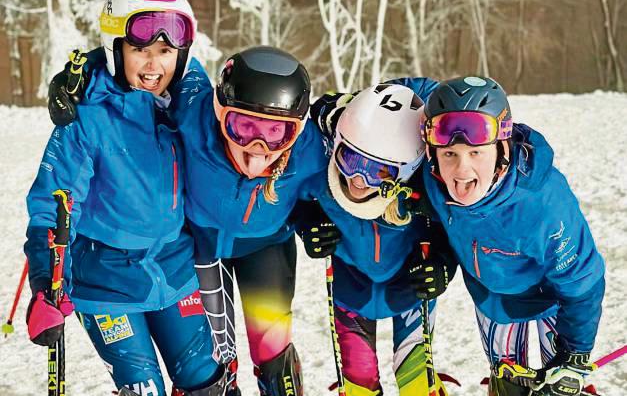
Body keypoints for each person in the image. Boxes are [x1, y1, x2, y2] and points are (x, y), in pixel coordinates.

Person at [47, 44, 328, 395]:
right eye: (242, 126)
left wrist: (314, 215)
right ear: (220, 108)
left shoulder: (310, 147)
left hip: (266, 246)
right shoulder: (194, 110)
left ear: (297, 130)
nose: (257, 145)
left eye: (276, 133)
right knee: (214, 362)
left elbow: (348, 179)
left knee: (273, 353)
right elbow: (164, 61)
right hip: (202, 246)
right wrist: (85, 69)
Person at [25, 0, 225, 395]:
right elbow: (52, 205)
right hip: (107, 281)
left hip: (174, 270)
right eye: (140, 50)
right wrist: (45, 285)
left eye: (166, 52)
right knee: (142, 387)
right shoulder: (87, 117)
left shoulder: (189, 102)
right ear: (116, 48)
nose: (154, 65)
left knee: (205, 380)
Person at [418, 76, 605, 396]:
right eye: (450, 154)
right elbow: (441, 224)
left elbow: (582, 281)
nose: (461, 172)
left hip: (554, 302)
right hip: (494, 298)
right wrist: (440, 258)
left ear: (502, 147)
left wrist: (575, 353)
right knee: (507, 387)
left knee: (560, 387)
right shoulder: (434, 181)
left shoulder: (542, 203)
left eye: (476, 153)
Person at [293, 83, 455, 395]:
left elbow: (451, 230)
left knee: (416, 378)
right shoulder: (325, 177)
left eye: (378, 172)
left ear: (406, 170)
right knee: (358, 379)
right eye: (350, 160)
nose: (357, 180)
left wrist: (442, 265)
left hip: (410, 286)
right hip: (351, 288)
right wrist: (309, 223)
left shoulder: (423, 191)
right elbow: (296, 199)